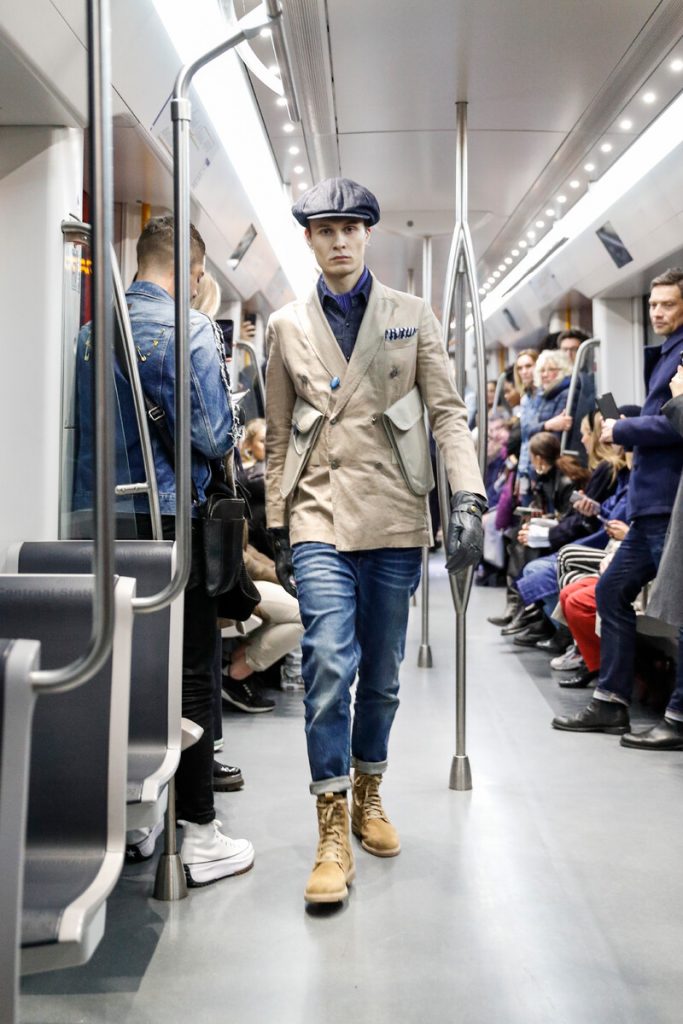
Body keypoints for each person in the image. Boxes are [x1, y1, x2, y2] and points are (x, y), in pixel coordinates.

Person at [264, 177, 486, 904]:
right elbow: (276, 434)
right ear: (308, 239)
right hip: (319, 512)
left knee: (382, 675)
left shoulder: (411, 316)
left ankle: (368, 790)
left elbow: (447, 414)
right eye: (325, 230)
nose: (338, 241)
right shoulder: (286, 326)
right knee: (329, 662)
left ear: (367, 235)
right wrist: (276, 520)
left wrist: (467, 496)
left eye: (350, 229)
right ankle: (330, 823)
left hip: (394, 513)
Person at [77, 216, 254, 883]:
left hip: (97, 519)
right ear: (191, 271)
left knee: (124, 667)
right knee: (191, 671)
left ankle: (135, 819)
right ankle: (199, 830)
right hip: (171, 520)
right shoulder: (192, 329)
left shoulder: (91, 333)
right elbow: (211, 434)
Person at [552, 268, 683, 742]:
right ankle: (611, 702)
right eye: (653, 305)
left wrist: (623, 429)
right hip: (650, 504)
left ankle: (678, 715)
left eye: (667, 304)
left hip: (669, 501)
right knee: (610, 592)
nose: (657, 312)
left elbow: (677, 423)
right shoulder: (667, 355)